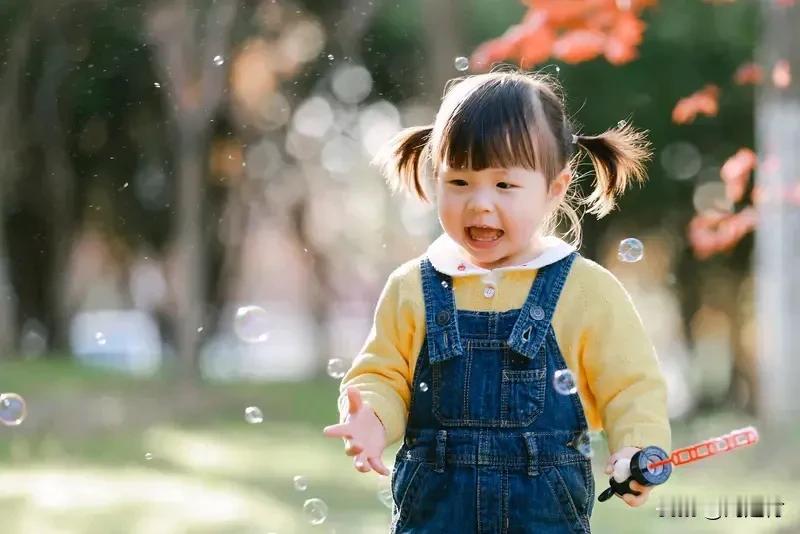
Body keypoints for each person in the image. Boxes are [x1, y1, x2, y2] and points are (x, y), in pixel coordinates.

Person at [323, 69, 671, 533]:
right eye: (460, 182)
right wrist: (371, 419)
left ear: (554, 188)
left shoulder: (587, 290)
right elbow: (382, 375)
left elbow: (631, 387)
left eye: (505, 185)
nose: (480, 204)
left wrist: (636, 447)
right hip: (433, 519)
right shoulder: (413, 288)